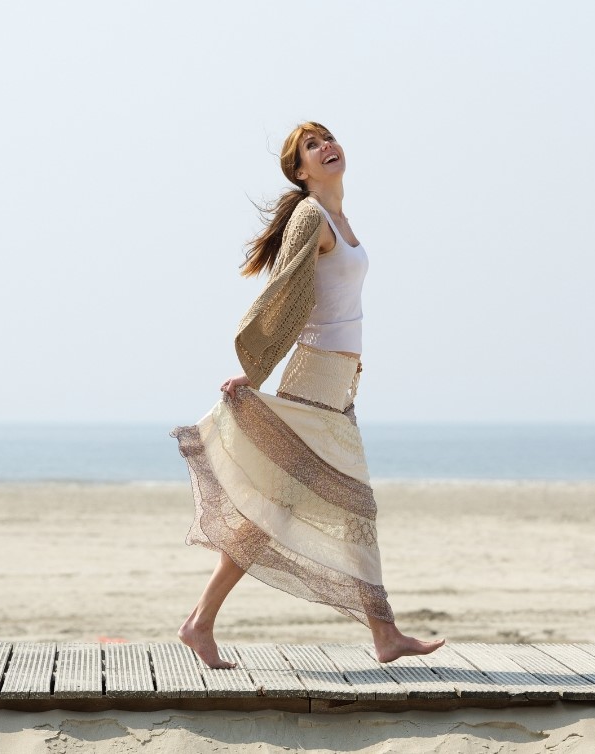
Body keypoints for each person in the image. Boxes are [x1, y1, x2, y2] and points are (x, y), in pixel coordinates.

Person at [171, 122, 445, 668]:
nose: (327, 147)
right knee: (349, 507)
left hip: (338, 383)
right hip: (314, 376)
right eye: (312, 146)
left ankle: (200, 623)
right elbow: (288, 293)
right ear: (300, 171)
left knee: (280, 510)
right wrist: (257, 370)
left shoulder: (340, 219)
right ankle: (384, 634)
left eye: (328, 138)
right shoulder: (310, 217)